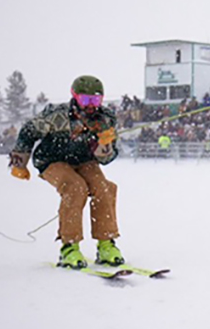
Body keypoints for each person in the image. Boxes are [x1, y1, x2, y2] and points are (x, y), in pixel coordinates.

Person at [8, 75, 124, 269]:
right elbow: (28, 131)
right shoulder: (56, 116)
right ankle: (69, 247)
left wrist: (104, 145)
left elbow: (107, 158)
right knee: (75, 187)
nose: (90, 105)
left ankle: (106, 243)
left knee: (104, 188)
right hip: (52, 160)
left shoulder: (105, 120)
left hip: (84, 160)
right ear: (74, 97)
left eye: (95, 100)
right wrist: (19, 162)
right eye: (85, 100)